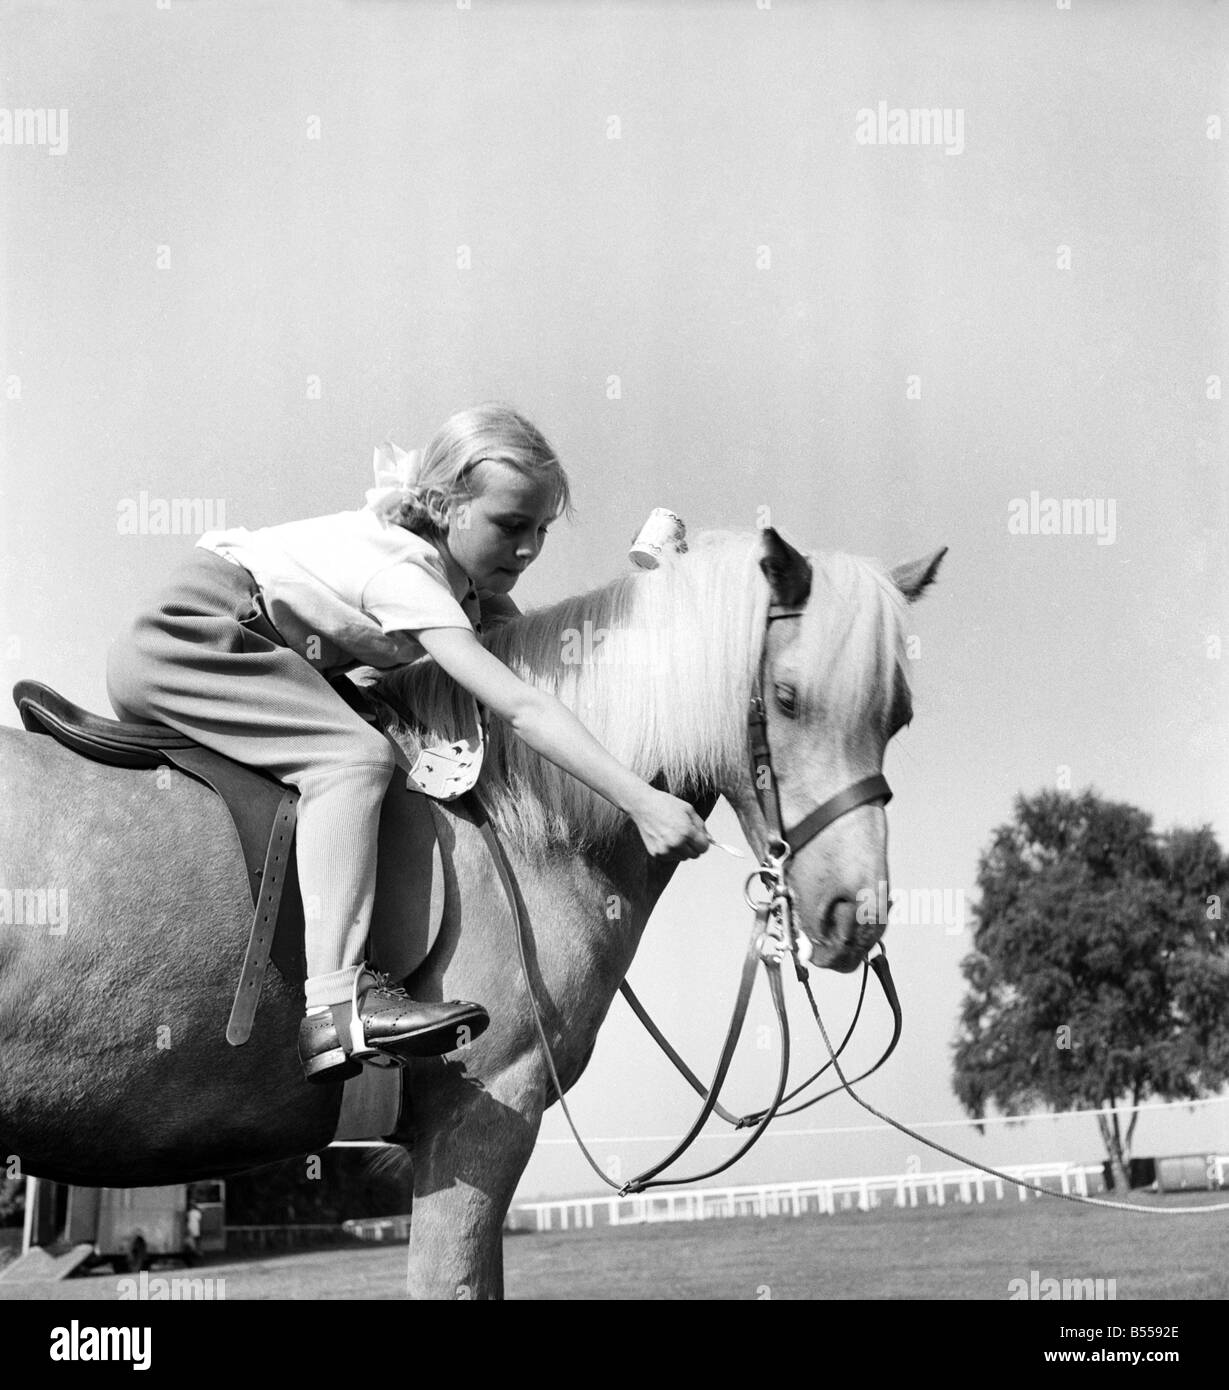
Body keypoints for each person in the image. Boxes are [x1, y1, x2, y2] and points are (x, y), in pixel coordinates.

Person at [106, 403, 710, 1084]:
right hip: (191, 637)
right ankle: (336, 1007)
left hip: (230, 643)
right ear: (445, 507)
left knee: (367, 735)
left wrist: (660, 608)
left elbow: (548, 665)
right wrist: (641, 801)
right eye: (511, 526)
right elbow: (519, 704)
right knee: (351, 759)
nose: (528, 549)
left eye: (541, 529)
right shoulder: (406, 570)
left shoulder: (459, 587)